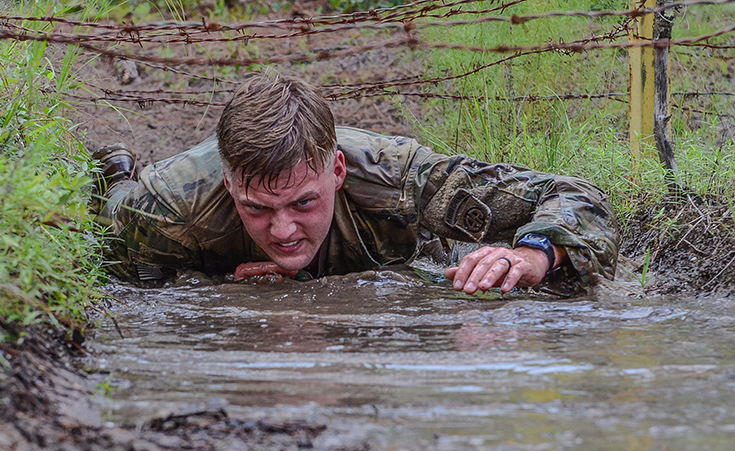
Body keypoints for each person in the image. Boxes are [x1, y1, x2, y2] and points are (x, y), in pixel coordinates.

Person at [93, 69, 619, 295]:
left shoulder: (399, 177)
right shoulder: (168, 207)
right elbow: (103, 266)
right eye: (258, 209)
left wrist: (533, 255)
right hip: (159, 191)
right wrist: (210, 284)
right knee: (114, 195)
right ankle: (119, 163)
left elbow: (577, 195)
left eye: (303, 202)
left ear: (337, 172)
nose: (282, 230)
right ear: (232, 189)